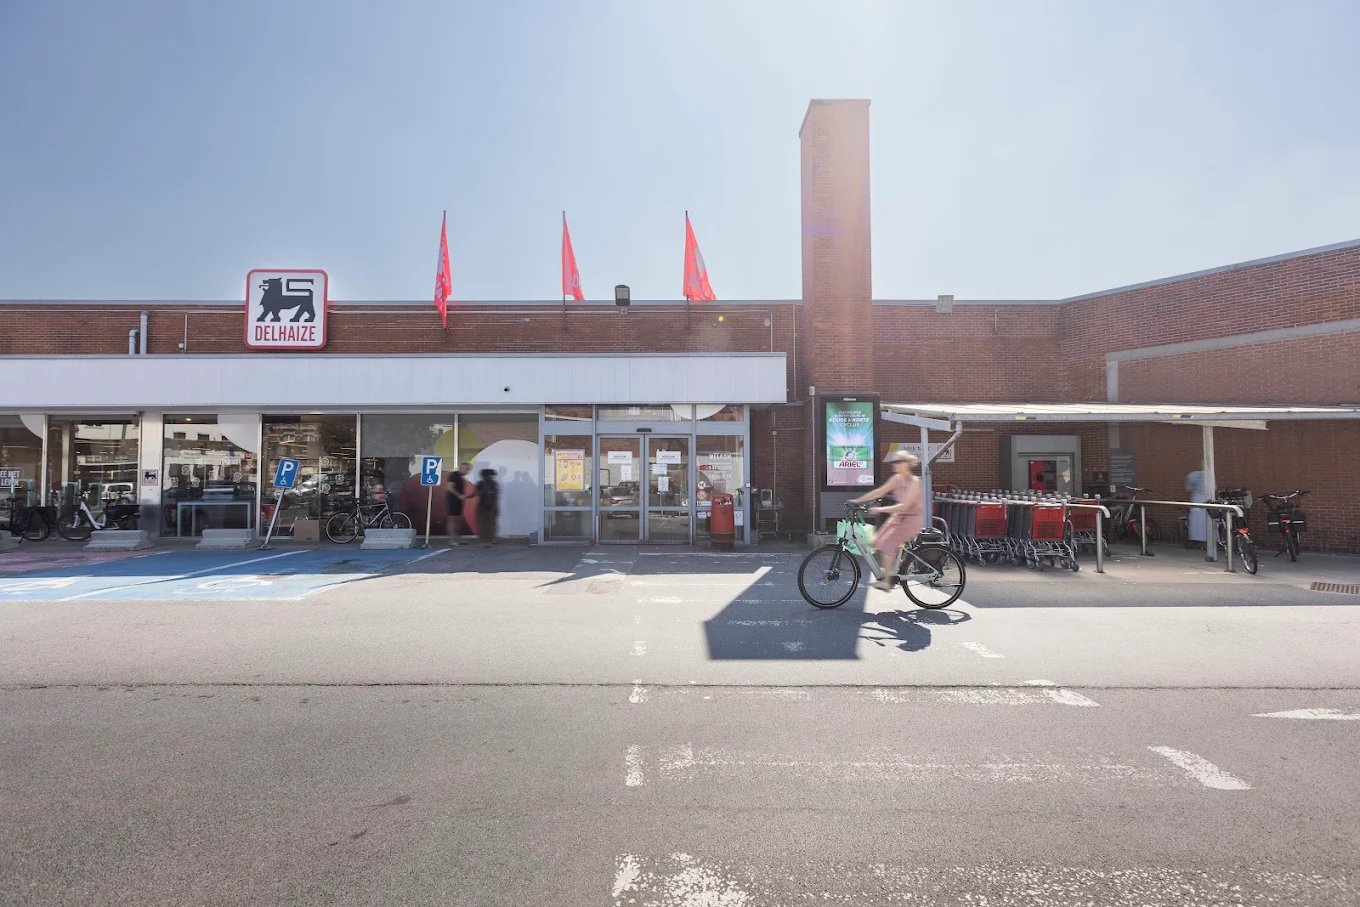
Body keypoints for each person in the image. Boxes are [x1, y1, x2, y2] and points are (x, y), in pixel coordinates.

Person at [850, 449, 924, 591]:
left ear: (906, 464)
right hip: (899, 518)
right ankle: (893, 568)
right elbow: (879, 491)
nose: (894, 464)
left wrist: (879, 510)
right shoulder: (896, 479)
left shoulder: (914, 481)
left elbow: (904, 506)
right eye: (893, 461)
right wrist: (857, 501)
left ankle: (887, 582)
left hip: (912, 519)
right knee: (876, 541)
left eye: (897, 461)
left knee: (887, 543)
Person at [446, 461, 473, 545]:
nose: (467, 471)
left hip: (458, 501)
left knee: (457, 520)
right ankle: (451, 540)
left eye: (468, 470)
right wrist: (459, 495)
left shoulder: (461, 477)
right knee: (452, 519)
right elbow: (449, 487)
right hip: (452, 500)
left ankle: (457, 539)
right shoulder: (454, 475)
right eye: (466, 469)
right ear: (461, 468)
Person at [474, 468, 499, 546]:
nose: (491, 477)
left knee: (492, 523)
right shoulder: (480, 484)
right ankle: (483, 540)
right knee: (483, 524)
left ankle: (492, 539)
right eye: (490, 476)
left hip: (492, 506)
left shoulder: (494, 483)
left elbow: (496, 495)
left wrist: (496, 506)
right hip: (483, 506)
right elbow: (476, 494)